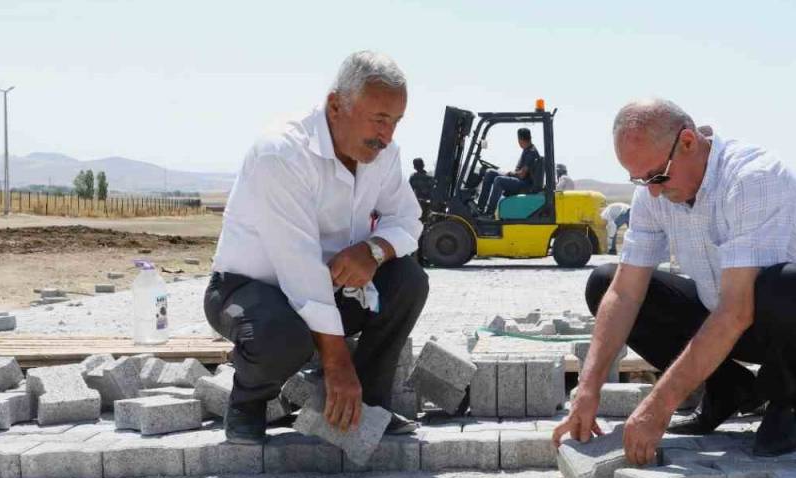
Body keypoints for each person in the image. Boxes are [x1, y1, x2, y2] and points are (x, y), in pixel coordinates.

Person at [552, 98, 796, 460]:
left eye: (657, 176)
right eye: (640, 179)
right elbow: (625, 292)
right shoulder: (654, 190)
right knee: (603, 284)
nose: (651, 190)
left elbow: (737, 310)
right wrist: (587, 388)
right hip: (732, 316)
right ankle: (727, 389)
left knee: (784, 286)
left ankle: (784, 403)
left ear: (688, 143)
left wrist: (658, 406)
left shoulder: (752, 178)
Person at [205, 51, 428, 444]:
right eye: (379, 119)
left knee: (408, 279)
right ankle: (248, 401)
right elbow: (299, 270)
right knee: (283, 335)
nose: (388, 135)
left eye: (395, 122)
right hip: (250, 291)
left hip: (328, 282)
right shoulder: (282, 153)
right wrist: (337, 364)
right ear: (336, 105)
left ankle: (368, 405)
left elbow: (409, 221)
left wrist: (374, 251)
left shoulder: (383, 155)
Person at [476, 128, 543, 216]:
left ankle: (490, 212)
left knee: (499, 180)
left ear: (520, 140)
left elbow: (522, 174)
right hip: (520, 180)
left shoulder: (531, 152)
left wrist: (510, 173)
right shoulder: (527, 150)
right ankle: (480, 207)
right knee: (490, 173)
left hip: (525, 185)